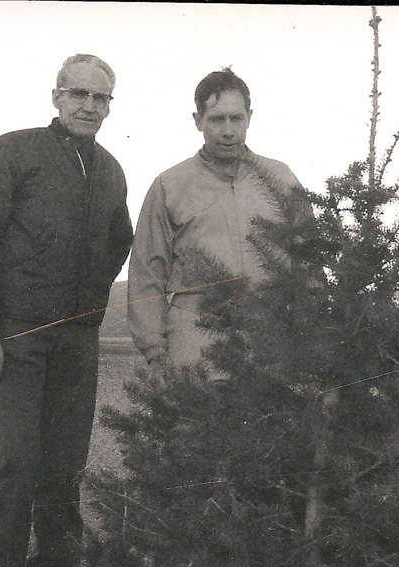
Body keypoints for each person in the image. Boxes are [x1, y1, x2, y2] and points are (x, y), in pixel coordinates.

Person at [0, 54, 132, 567]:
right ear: (56, 96)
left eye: (101, 97)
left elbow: (119, 243)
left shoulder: (110, 170)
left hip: (76, 342)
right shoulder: (13, 152)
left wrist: (87, 308)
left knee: (65, 470)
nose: (89, 105)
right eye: (78, 93)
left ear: (111, 106)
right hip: (17, 340)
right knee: (18, 468)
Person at [127, 68, 304, 370]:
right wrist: (155, 349)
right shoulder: (170, 185)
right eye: (216, 119)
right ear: (197, 121)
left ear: (250, 117)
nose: (227, 130)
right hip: (196, 330)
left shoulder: (280, 178)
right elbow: (147, 272)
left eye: (236, 118)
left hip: (271, 329)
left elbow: (308, 260)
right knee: (198, 415)